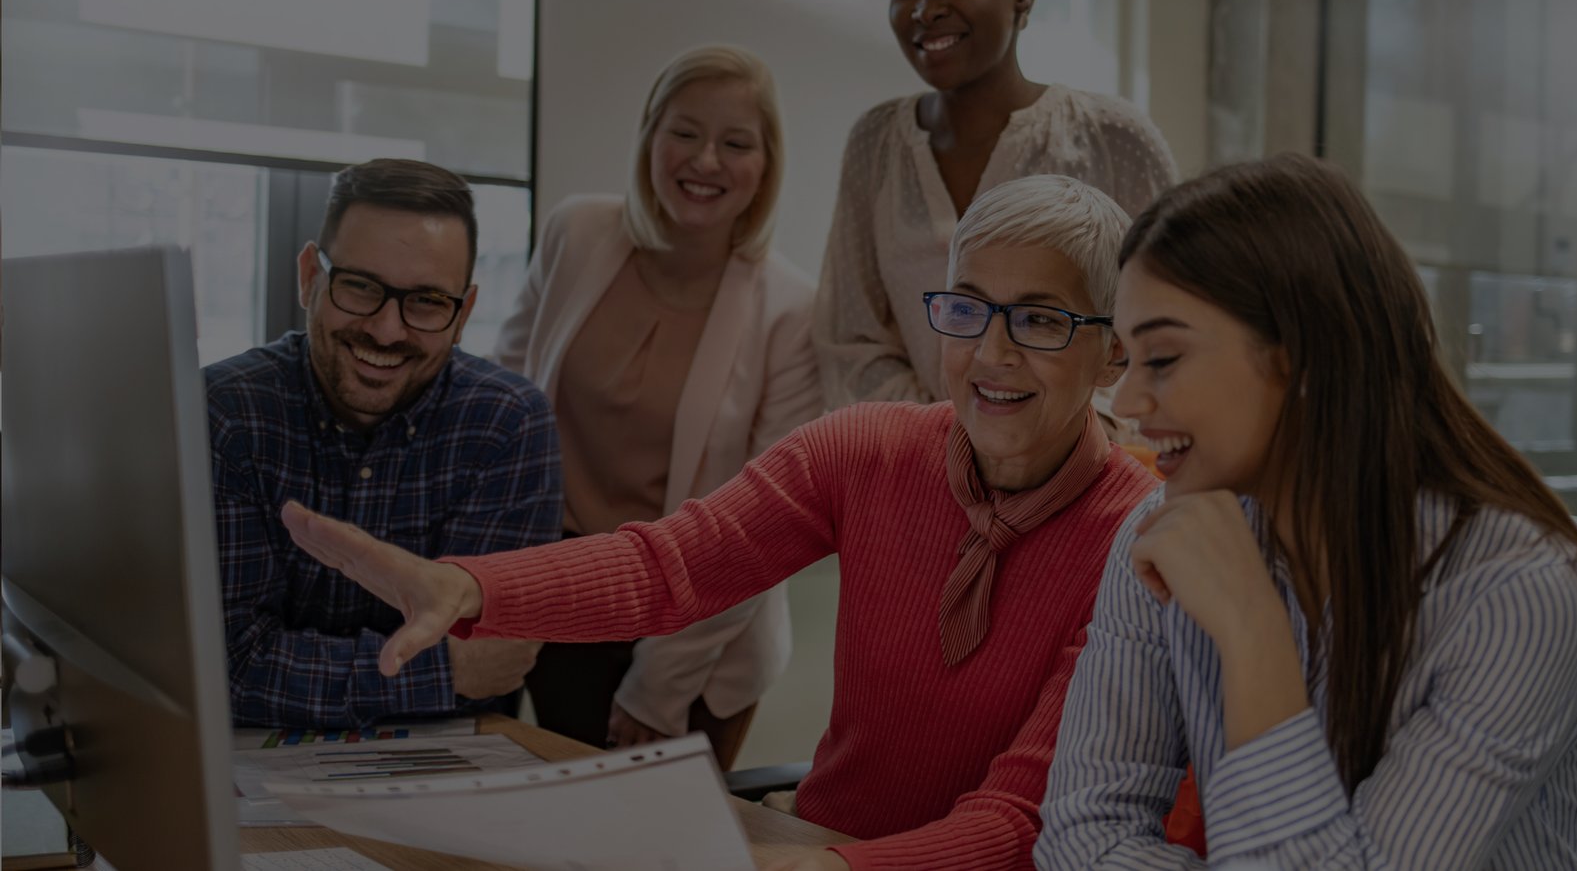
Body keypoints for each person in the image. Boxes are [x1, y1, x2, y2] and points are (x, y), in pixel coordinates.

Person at [280, 176, 1159, 871]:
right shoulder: (869, 449)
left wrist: (839, 869)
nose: (993, 352)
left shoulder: (1136, 540)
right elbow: (668, 568)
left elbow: (1017, 821)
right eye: (967, 308)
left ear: (1115, 347)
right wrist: (471, 586)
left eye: (1040, 320)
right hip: (819, 847)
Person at [1036, 155, 1577, 870]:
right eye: (1129, 359)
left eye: (1165, 358)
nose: (1127, 404)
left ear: (1302, 359)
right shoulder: (1164, 538)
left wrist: (1252, 632)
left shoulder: (1520, 593)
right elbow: (1084, 834)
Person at [493, 44, 819, 765]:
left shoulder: (792, 310)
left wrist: (660, 686)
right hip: (564, 593)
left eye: (736, 143)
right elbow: (500, 406)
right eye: (684, 132)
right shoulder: (576, 232)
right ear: (649, 134)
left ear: (766, 166)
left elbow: (762, 525)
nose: (705, 160)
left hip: (700, 630)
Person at [817, 0, 1178, 409]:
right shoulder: (876, 143)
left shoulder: (1113, 139)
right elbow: (851, 339)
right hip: (920, 474)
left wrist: (1048, 448)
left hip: (1086, 480)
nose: (926, 9)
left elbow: (1163, 328)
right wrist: (955, 441)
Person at [208, 158, 562, 729]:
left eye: (425, 301)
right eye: (360, 287)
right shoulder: (225, 415)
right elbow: (226, 667)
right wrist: (442, 671)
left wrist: (302, 669)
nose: (386, 330)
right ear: (309, 277)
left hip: (439, 776)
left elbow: (495, 667)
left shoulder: (508, 424)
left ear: (463, 312)